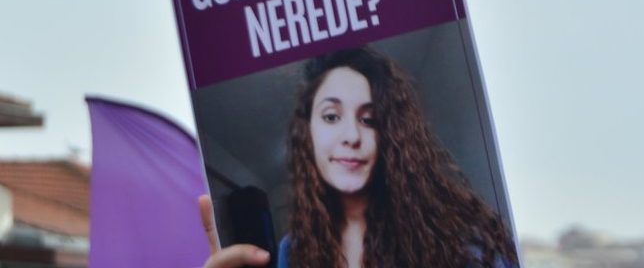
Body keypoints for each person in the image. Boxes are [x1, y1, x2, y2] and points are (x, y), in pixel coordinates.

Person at [201, 47, 518, 268]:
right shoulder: (294, 251)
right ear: (308, 135)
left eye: (368, 119)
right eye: (331, 116)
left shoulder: (460, 239)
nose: (351, 135)